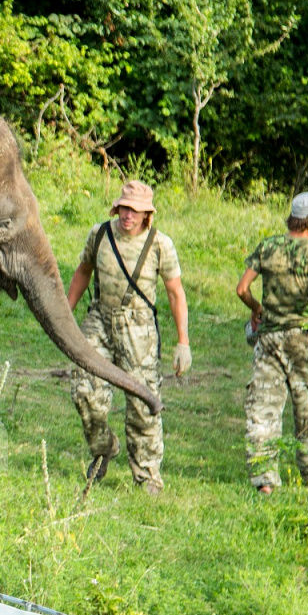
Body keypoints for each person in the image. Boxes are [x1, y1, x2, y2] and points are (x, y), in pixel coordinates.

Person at [64, 180, 190, 495]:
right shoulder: (100, 234)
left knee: (142, 405)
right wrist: (65, 316)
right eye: (123, 207)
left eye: (134, 210)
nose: (127, 215)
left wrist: (183, 343)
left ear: (147, 213)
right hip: (99, 322)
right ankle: (104, 448)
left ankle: (147, 477)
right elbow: (82, 272)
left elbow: (176, 294)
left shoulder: (161, 244)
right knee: (84, 393)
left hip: (139, 330)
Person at [237, 191, 308, 494]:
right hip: (302, 339)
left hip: (268, 338)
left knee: (263, 407)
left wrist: (257, 308)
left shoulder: (268, 247)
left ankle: (264, 480)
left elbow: (242, 288)